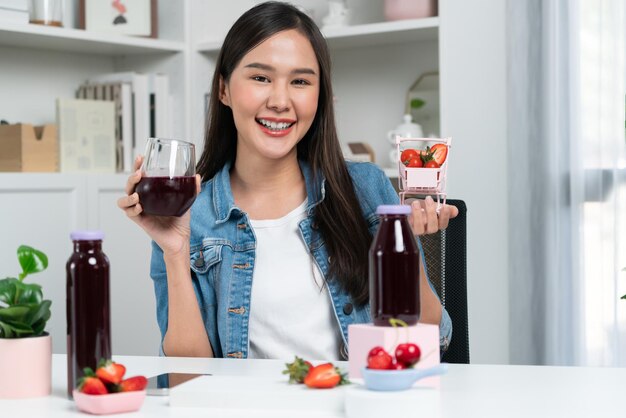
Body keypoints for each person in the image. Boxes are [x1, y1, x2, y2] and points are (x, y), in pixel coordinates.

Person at [118, 1, 458, 360]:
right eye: (260, 77)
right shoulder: (189, 214)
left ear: (320, 94)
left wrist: (402, 250)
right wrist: (174, 251)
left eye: (299, 81)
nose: (280, 101)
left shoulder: (366, 188)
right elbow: (188, 376)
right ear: (224, 90)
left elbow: (431, 337)